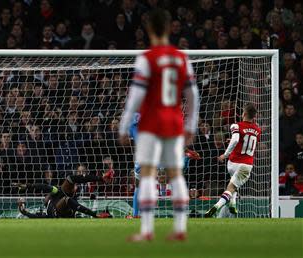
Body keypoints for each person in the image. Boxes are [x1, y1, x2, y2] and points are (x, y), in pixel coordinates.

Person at [118, 8, 199, 241]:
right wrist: (191, 126)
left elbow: (135, 96)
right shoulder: (181, 57)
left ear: (150, 29)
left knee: (146, 175)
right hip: (174, 123)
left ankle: (146, 230)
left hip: (151, 124)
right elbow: (192, 94)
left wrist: (124, 126)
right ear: (169, 28)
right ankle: (180, 229)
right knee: (175, 175)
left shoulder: (147, 58)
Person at [205, 104, 261, 217]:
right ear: (254, 117)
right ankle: (217, 206)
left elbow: (236, 140)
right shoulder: (258, 130)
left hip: (232, 163)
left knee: (233, 186)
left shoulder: (236, 125)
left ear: (244, 114)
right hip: (246, 165)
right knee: (232, 187)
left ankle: (232, 203)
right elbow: (248, 144)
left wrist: (225, 155)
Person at [14, 170, 114, 218]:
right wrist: (23, 212)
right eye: (46, 196)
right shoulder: (48, 213)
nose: (46, 196)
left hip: (68, 203)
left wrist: (27, 186)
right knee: (66, 200)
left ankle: (101, 178)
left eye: (47, 195)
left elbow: (45, 187)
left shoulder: (55, 193)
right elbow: (35, 217)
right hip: (61, 213)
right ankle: (95, 215)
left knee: (70, 178)